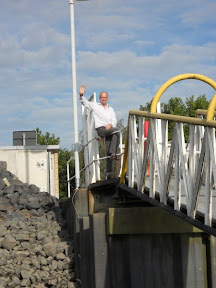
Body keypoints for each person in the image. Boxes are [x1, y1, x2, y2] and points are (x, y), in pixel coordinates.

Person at [79, 85, 119, 176]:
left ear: (107, 98)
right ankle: (113, 153)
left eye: (105, 97)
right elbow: (85, 103)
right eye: (102, 97)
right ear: (99, 98)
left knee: (110, 146)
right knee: (117, 132)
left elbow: (114, 121)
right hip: (101, 129)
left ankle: (109, 171)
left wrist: (110, 125)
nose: (103, 99)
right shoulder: (95, 106)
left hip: (110, 130)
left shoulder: (111, 109)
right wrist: (81, 95)